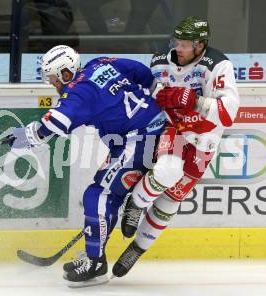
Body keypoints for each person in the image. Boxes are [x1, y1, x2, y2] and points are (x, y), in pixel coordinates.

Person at [10, 45, 166, 287]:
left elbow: (57, 122)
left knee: (99, 195)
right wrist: (156, 97)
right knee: (107, 195)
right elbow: (141, 72)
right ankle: (96, 252)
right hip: (143, 133)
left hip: (139, 139)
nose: (53, 83)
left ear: (66, 73)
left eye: (53, 78)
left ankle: (95, 263)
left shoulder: (79, 91)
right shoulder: (101, 63)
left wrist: (29, 135)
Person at [112, 16, 240, 277]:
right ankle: (136, 205)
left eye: (185, 44)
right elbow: (152, 98)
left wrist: (194, 101)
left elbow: (228, 113)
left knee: (172, 198)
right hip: (174, 130)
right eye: (176, 42)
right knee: (167, 170)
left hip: (205, 138)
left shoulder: (218, 64)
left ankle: (137, 249)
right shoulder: (160, 62)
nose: (178, 48)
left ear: (200, 45)